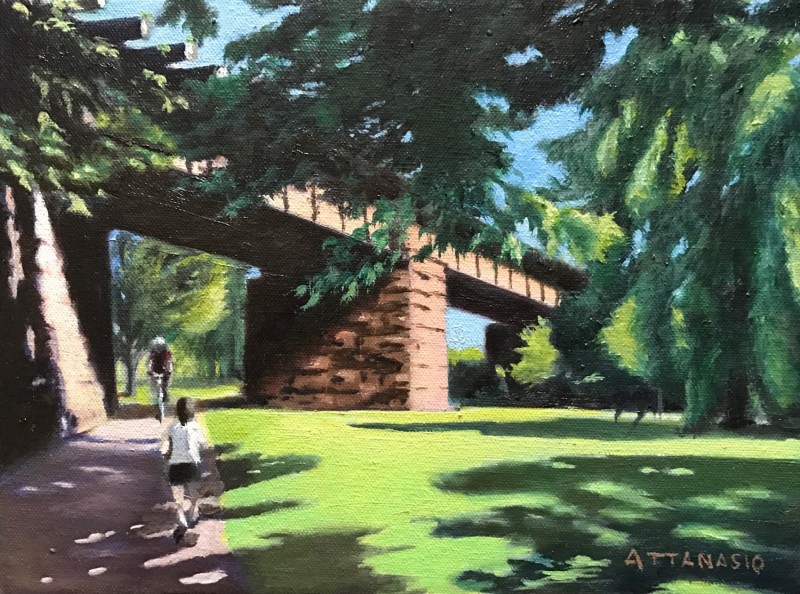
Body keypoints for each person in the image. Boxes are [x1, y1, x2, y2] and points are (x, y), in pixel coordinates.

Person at [160, 397, 207, 543]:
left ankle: (183, 523)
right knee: (194, 495)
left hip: (175, 466)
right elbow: (204, 443)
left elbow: (162, 447)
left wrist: (168, 455)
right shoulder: (195, 426)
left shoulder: (172, 426)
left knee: (178, 500)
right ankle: (193, 514)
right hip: (192, 464)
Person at [147, 337, 173, 422]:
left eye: (160, 346)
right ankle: (156, 405)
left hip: (164, 373)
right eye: (157, 346)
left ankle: (165, 400)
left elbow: (168, 363)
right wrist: (150, 371)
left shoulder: (166, 353)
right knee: (154, 389)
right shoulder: (152, 354)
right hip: (155, 373)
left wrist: (168, 371)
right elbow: (149, 362)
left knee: (164, 387)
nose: (158, 348)